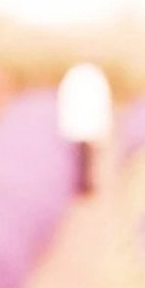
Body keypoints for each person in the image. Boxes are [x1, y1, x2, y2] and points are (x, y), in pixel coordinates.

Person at [57, 63, 113, 195]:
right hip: (84, 127)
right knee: (83, 158)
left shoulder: (82, 78)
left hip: (85, 127)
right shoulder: (86, 78)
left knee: (85, 158)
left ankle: (85, 184)